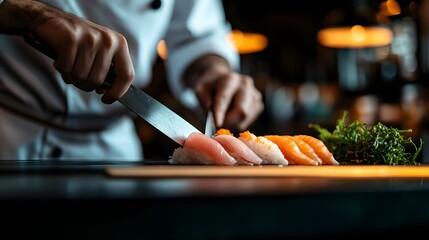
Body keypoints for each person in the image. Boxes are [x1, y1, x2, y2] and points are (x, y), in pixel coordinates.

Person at [0, 0, 264, 160]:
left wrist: (214, 72)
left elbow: (197, 36)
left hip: (114, 150)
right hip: (10, 136)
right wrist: (31, 14)